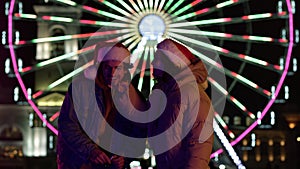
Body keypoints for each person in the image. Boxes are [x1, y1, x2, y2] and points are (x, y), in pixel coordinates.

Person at [56, 41, 147, 169]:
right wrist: (91, 151)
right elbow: (68, 125)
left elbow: (138, 132)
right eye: (108, 67)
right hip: (80, 163)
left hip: (111, 164)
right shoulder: (81, 88)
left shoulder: (133, 97)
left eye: (118, 68)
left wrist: (124, 157)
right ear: (100, 67)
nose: (112, 73)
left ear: (125, 69)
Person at [147, 39, 214, 169]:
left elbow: (198, 147)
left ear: (172, 62)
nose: (153, 62)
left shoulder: (191, 93)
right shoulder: (165, 95)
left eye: (158, 58)